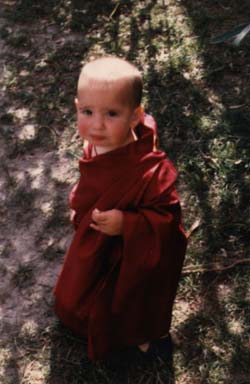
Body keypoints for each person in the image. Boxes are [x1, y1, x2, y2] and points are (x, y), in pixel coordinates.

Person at [54, 56, 187, 361]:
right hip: (96, 239)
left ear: (135, 116)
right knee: (75, 297)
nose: (97, 124)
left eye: (111, 113)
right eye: (87, 112)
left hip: (131, 259)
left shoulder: (149, 170)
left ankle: (140, 337)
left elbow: (168, 222)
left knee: (126, 305)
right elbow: (94, 180)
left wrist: (128, 224)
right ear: (77, 107)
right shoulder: (98, 141)